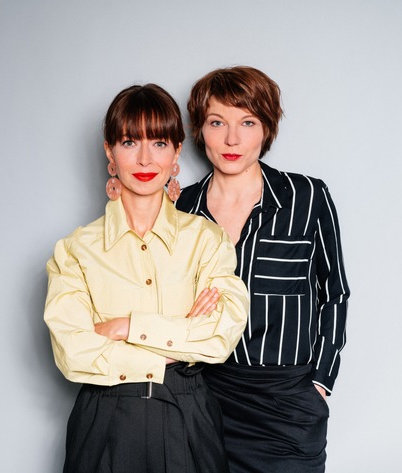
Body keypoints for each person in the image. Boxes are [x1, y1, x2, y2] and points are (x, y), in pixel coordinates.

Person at [44, 83, 250, 473]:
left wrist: (126, 327)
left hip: (188, 415)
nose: (144, 158)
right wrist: (179, 339)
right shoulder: (75, 250)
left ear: (176, 152)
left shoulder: (206, 240)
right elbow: (72, 353)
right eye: (129, 142)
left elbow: (220, 336)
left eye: (158, 143)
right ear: (110, 152)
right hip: (104, 417)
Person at [176, 66, 351, 473]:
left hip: (287, 403)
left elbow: (335, 292)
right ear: (200, 130)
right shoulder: (181, 208)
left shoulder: (307, 197)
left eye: (247, 122)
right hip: (203, 397)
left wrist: (321, 382)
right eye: (217, 122)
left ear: (266, 128)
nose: (232, 139)